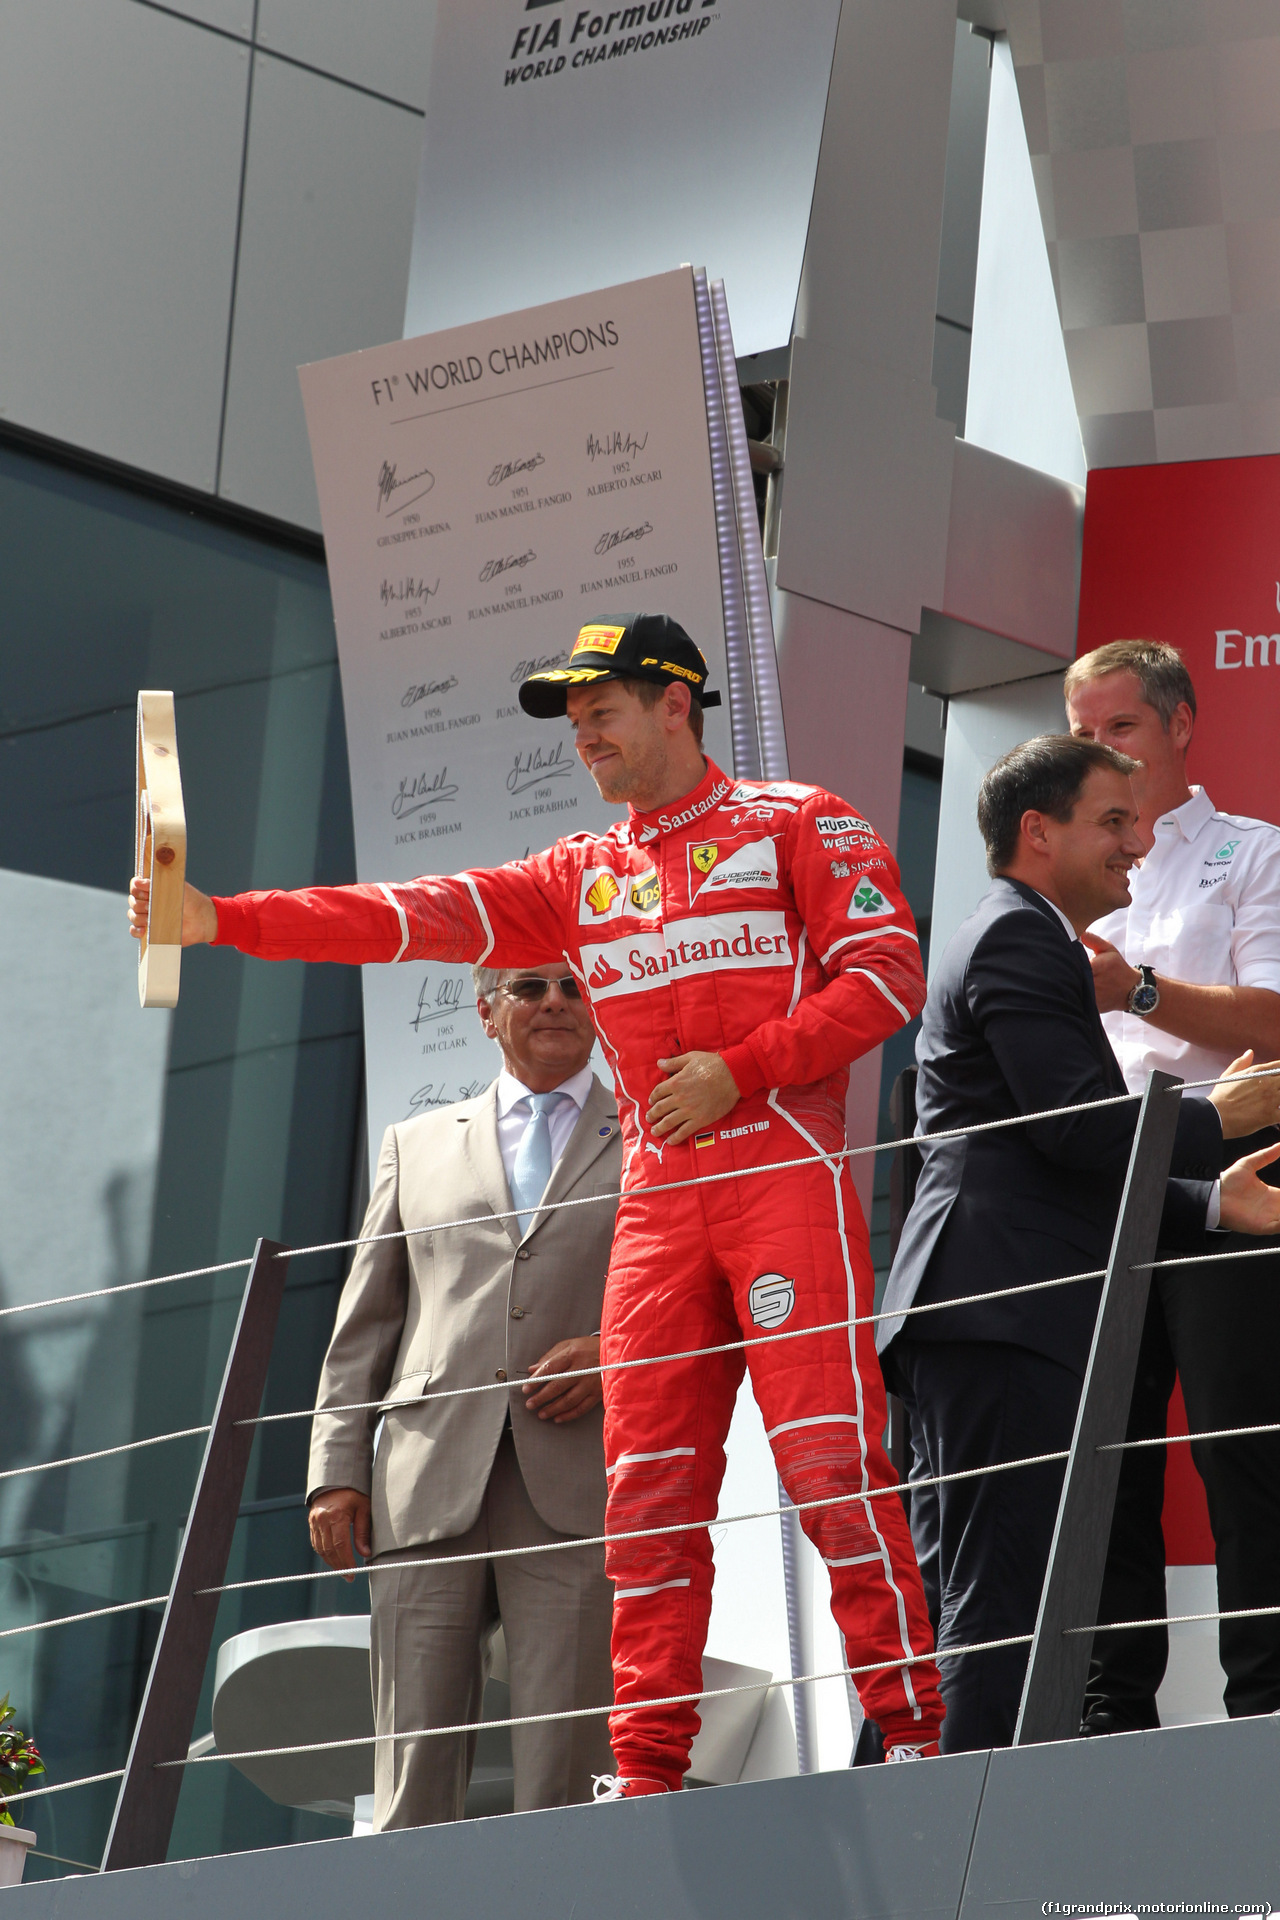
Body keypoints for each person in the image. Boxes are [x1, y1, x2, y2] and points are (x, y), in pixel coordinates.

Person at [130, 609, 946, 1795]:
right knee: (646, 1495)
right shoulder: (577, 874)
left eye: (600, 711)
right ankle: (646, 1770)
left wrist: (743, 1066)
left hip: (778, 1173)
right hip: (661, 1209)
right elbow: (399, 916)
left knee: (828, 1468)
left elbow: (887, 976)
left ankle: (918, 1731)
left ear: (676, 700)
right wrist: (218, 920)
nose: (584, 736)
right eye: (573, 721)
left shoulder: (802, 821)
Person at [876, 734, 1280, 1755]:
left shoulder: (1021, 934)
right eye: (1111, 821)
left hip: (994, 1310)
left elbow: (1063, 1157)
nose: (1135, 845)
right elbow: (1074, 1130)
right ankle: (954, 1853)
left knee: (985, 1596)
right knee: (994, 1601)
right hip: (998, 1315)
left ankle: (942, 1831)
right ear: (1035, 830)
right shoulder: (1021, 939)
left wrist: (1206, 1207)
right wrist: (1217, 1113)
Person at [307, 960, 621, 1827]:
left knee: (571, 1777)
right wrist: (337, 1471)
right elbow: (364, 1325)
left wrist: (613, 1351)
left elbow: (700, 1299)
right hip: (425, 1478)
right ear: (487, 1013)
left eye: (574, 985)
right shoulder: (416, 1144)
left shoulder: (655, 1134)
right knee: (411, 1780)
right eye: (530, 988)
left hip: (581, 1481)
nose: (555, 1001)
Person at [1065, 639, 1280, 1731]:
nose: (1097, 751)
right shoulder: (1062, 880)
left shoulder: (1250, 853)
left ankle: (1263, 1716)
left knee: (1242, 1459)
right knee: (1096, 1471)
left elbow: (1274, 1022)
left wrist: (1137, 989)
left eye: (1120, 728)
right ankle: (1108, 1724)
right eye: (1081, 732)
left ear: (1180, 725)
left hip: (1221, 1173)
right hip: (1092, 1189)